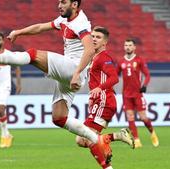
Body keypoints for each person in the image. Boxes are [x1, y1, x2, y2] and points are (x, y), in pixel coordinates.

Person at [0, 0, 112, 167]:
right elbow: (41, 27)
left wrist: (77, 73)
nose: (59, 5)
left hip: (73, 70)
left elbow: (90, 49)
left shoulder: (80, 23)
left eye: (63, 2)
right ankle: (97, 141)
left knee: (33, 55)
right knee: (59, 118)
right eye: (59, 2)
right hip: (69, 74)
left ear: (75, 4)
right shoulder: (64, 20)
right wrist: (19, 32)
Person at [75, 26, 135, 168]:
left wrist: (98, 88)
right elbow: (95, 79)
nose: (94, 39)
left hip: (104, 101)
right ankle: (116, 136)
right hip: (98, 101)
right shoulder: (92, 56)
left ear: (104, 42)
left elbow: (114, 78)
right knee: (80, 140)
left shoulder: (104, 57)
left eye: (98, 37)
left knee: (88, 139)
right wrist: (91, 97)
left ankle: (108, 167)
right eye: (93, 36)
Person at [117, 39, 159, 148]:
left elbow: (147, 75)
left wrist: (144, 85)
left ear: (134, 47)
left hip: (137, 94)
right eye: (126, 45)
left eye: (130, 45)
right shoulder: (121, 62)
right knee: (130, 117)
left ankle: (152, 132)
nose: (128, 47)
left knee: (143, 117)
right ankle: (137, 140)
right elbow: (115, 76)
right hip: (126, 95)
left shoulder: (139, 60)